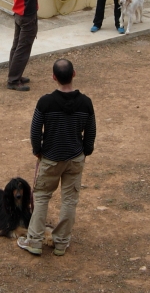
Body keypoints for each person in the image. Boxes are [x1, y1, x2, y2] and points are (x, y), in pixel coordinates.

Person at [18, 58, 96, 256]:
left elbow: (35, 130)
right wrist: (86, 151)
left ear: (54, 77)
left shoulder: (45, 102)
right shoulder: (86, 103)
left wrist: (38, 150)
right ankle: (61, 242)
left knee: (42, 196)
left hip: (51, 158)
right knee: (70, 200)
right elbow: (91, 131)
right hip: (75, 157)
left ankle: (34, 240)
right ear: (74, 74)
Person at [5, 0, 51, 91]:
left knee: (16, 46)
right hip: (27, 15)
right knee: (23, 49)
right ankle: (13, 80)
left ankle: (14, 75)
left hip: (18, 12)